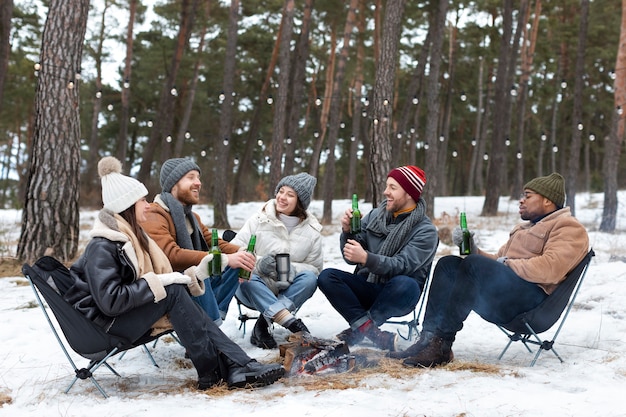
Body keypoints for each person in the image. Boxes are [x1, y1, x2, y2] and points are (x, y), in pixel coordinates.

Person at [64, 156, 284, 390]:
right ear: (127, 206)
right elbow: (111, 301)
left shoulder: (129, 237)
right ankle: (226, 368)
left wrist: (197, 271)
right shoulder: (104, 245)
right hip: (101, 328)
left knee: (176, 289)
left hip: (117, 319)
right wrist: (161, 282)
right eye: (142, 201)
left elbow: (211, 245)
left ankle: (231, 367)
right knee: (173, 291)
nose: (148, 205)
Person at [391, 172, 590, 367]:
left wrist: (504, 264)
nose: (521, 201)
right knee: (448, 264)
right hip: (508, 294)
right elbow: (496, 260)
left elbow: (550, 269)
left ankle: (442, 345)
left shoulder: (568, 227)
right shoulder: (524, 228)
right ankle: (427, 339)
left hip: (532, 306)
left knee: (474, 265)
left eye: (528, 196)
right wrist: (473, 248)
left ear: (547, 201)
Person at [317, 165, 439, 352]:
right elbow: (351, 258)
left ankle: (358, 330)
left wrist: (367, 258)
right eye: (386, 186)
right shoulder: (375, 216)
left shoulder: (425, 230)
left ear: (409, 194)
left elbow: (403, 265)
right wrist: (348, 232)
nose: (385, 192)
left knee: (405, 283)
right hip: (368, 285)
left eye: (393, 187)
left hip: (399, 294)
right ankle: (371, 332)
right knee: (327, 276)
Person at [141, 158, 256, 326]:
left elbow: (213, 242)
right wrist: (221, 259)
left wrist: (245, 253)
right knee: (203, 267)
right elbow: (171, 255)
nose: (198, 183)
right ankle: (209, 331)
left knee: (236, 261)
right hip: (170, 289)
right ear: (173, 184)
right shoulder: (154, 214)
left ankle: (212, 322)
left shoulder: (191, 217)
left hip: (194, 286)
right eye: (191, 177)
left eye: (198, 178)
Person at [232, 172, 322, 349]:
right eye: (281, 191)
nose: (282, 197)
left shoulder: (312, 230)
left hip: (287, 290)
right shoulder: (259, 219)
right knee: (245, 277)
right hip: (255, 287)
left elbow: (315, 267)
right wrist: (259, 264)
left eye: (290, 194)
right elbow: (234, 249)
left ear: (300, 202)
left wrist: (291, 268)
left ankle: (263, 324)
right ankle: (290, 322)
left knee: (310, 280)